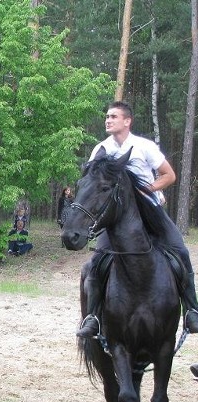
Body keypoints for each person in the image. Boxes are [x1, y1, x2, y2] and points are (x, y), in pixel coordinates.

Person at [76, 101, 198, 338]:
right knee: (96, 262)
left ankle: (192, 310)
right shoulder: (101, 149)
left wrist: (147, 190)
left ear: (127, 121)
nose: (108, 120)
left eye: (113, 116)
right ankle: (92, 317)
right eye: (107, 116)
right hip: (116, 220)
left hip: (150, 212)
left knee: (180, 250)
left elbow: (169, 175)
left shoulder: (144, 147)